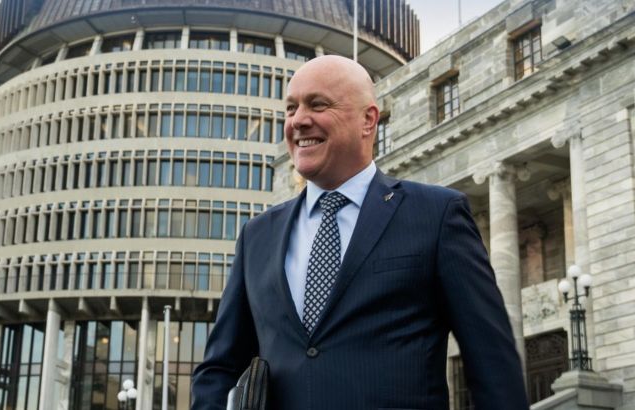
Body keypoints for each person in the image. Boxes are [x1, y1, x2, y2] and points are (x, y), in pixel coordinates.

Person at [191, 55, 529, 410]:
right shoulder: (257, 236)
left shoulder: (437, 215)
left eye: (317, 104)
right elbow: (220, 368)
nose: (298, 120)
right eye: (291, 108)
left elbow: (493, 364)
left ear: (368, 120)